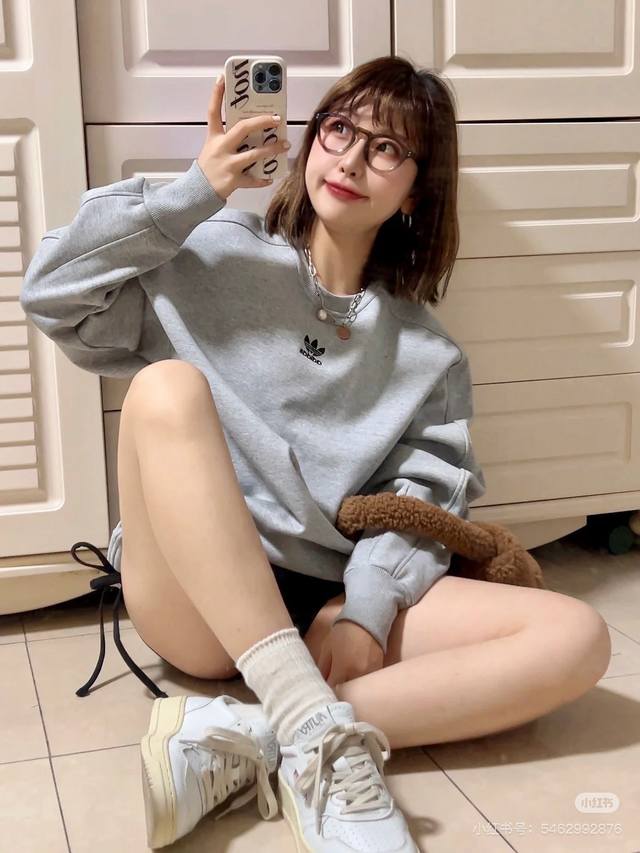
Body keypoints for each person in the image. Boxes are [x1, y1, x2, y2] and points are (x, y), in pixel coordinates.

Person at [19, 56, 611, 851]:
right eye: (339, 129)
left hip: (326, 600)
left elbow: (419, 507)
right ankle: (311, 724)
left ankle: (269, 734)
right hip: (195, 602)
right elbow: (50, 293)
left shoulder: (427, 355)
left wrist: (367, 612)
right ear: (311, 139)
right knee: (164, 389)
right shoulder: (209, 251)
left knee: (577, 637)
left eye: (387, 148)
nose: (352, 159)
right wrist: (193, 191)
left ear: (416, 191)